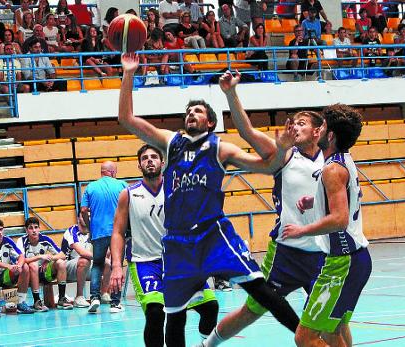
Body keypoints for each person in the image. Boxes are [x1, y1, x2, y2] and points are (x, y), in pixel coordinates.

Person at [118, 53, 300, 347]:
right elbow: (126, 119)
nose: (191, 114)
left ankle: (303, 335)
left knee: (259, 288)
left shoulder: (221, 149)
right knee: (174, 315)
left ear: (210, 122)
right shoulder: (171, 142)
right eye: (189, 112)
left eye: (198, 111)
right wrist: (129, 73)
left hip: (212, 234)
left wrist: (281, 149)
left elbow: (268, 166)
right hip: (177, 242)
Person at [200, 72, 327, 347]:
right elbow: (247, 131)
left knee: (334, 320)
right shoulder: (285, 154)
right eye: (293, 123)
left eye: (302, 123)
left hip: (322, 252)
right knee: (252, 310)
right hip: (286, 252)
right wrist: (230, 93)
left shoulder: (331, 160)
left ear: (318, 131)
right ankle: (206, 345)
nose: (295, 127)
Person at [280, 103, 371, 347]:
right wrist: (314, 200)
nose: (318, 131)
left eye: (323, 126)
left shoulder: (332, 169)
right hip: (353, 259)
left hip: (344, 261)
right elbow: (344, 197)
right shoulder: (342, 160)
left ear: (330, 134)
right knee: (333, 331)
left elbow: (339, 219)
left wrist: (302, 230)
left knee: (305, 337)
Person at [110, 144, 219, 347]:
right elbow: (117, 232)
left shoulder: (177, 189)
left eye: (153, 157)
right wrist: (117, 266)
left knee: (210, 307)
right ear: (139, 165)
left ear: (162, 162)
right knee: (155, 313)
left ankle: (206, 343)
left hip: (179, 261)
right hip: (145, 262)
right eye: (144, 158)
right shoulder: (128, 194)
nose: (149, 160)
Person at [81, 161, 127, 314]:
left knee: (97, 264)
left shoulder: (90, 187)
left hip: (98, 232)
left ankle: (94, 298)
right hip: (118, 233)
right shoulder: (122, 185)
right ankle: (115, 303)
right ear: (113, 172)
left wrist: (89, 227)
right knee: (117, 265)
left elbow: (83, 210)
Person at [17, 217, 73, 311]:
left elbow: (62, 255)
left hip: (44, 272)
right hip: (28, 274)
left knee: (61, 263)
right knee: (33, 264)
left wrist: (49, 258)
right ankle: (37, 301)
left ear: (39, 228)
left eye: (36, 227)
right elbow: (21, 260)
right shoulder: (21, 241)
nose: (34, 230)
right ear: (26, 230)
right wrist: (39, 257)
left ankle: (61, 299)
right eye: (31, 228)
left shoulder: (45, 239)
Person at [0, 218, 35, 314]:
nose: (0, 232)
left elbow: (21, 256)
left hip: (5, 276)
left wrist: (19, 265)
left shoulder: (8, 241)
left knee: (25, 267)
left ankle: (21, 302)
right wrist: (8, 266)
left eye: (1, 229)